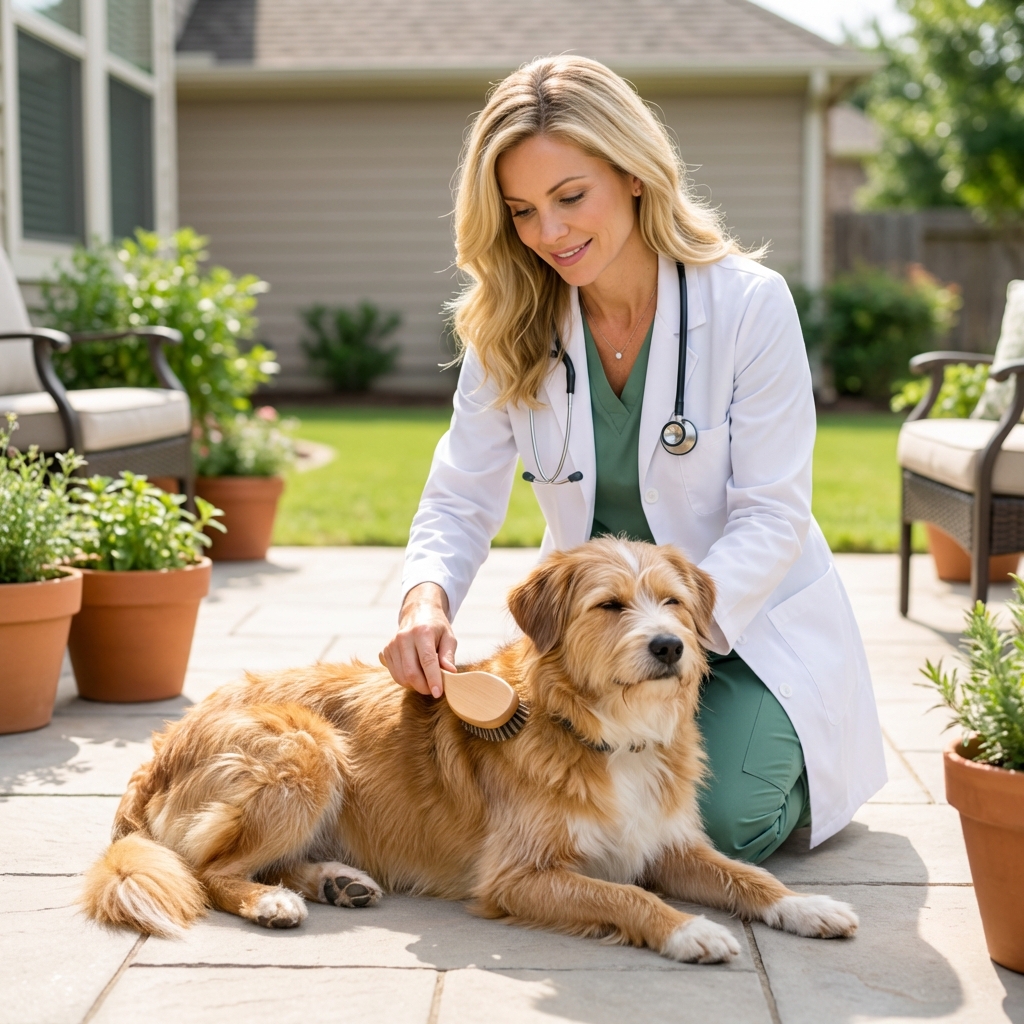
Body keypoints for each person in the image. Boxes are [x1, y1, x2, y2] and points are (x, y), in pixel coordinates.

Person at [381, 55, 885, 862]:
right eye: (521, 211)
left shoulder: (748, 306)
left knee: (721, 828)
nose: (550, 233)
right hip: (591, 636)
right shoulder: (508, 323)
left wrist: (678, 633)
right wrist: (424, 601)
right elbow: (460, 494)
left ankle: (808, 757)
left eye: (571, 197)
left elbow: (772, 511)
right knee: (565, 818)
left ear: (637, 175)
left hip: (733, 624)